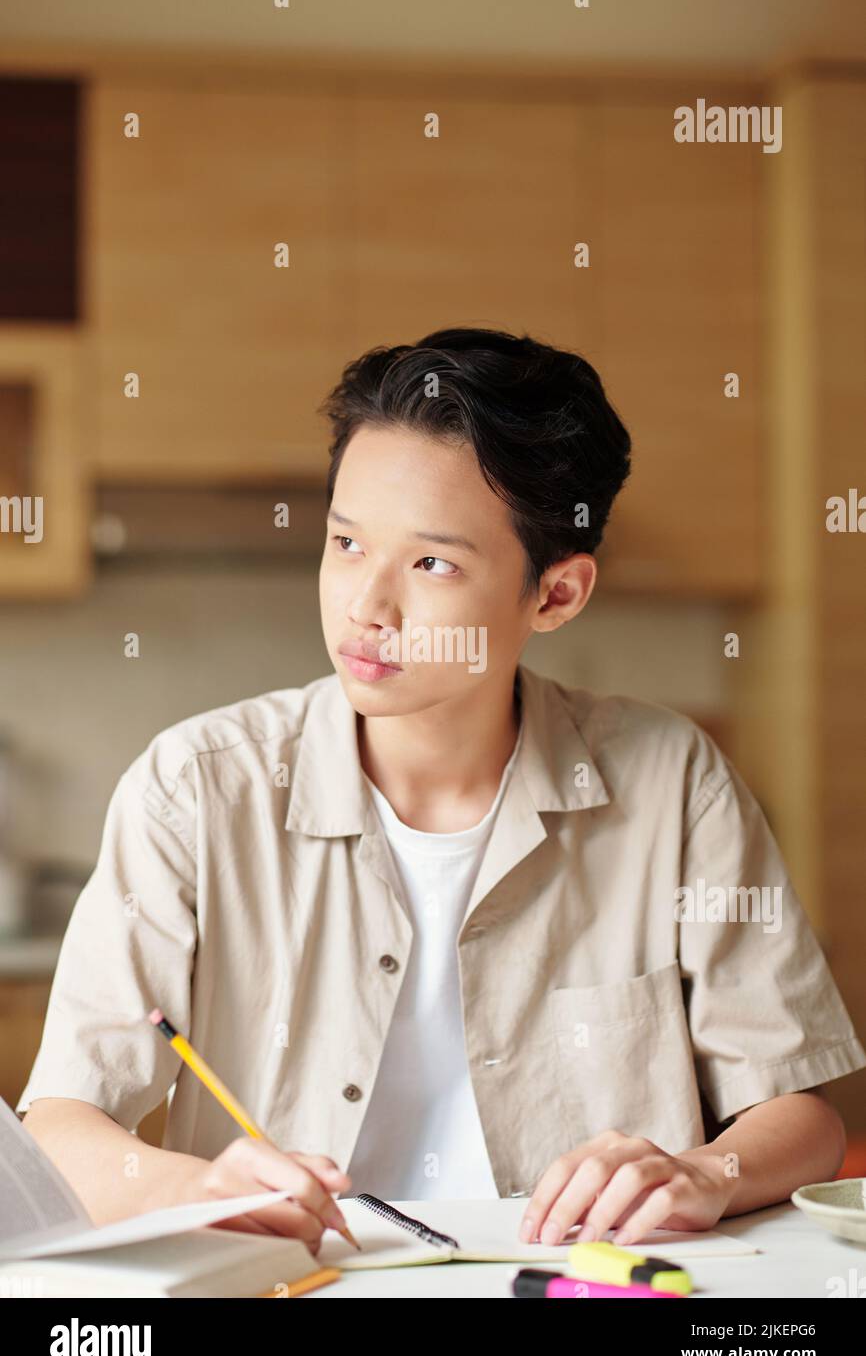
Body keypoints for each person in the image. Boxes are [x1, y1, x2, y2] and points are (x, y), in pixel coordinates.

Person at [18, 328, 866, 1254]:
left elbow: (802, 1111)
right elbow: (60, 1127)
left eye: (432, 564)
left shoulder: (673, 783)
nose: (366, 607)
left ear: (556, 595)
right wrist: (198, 1186)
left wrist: (706, 1168)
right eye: (346, 543)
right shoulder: (193, 790)